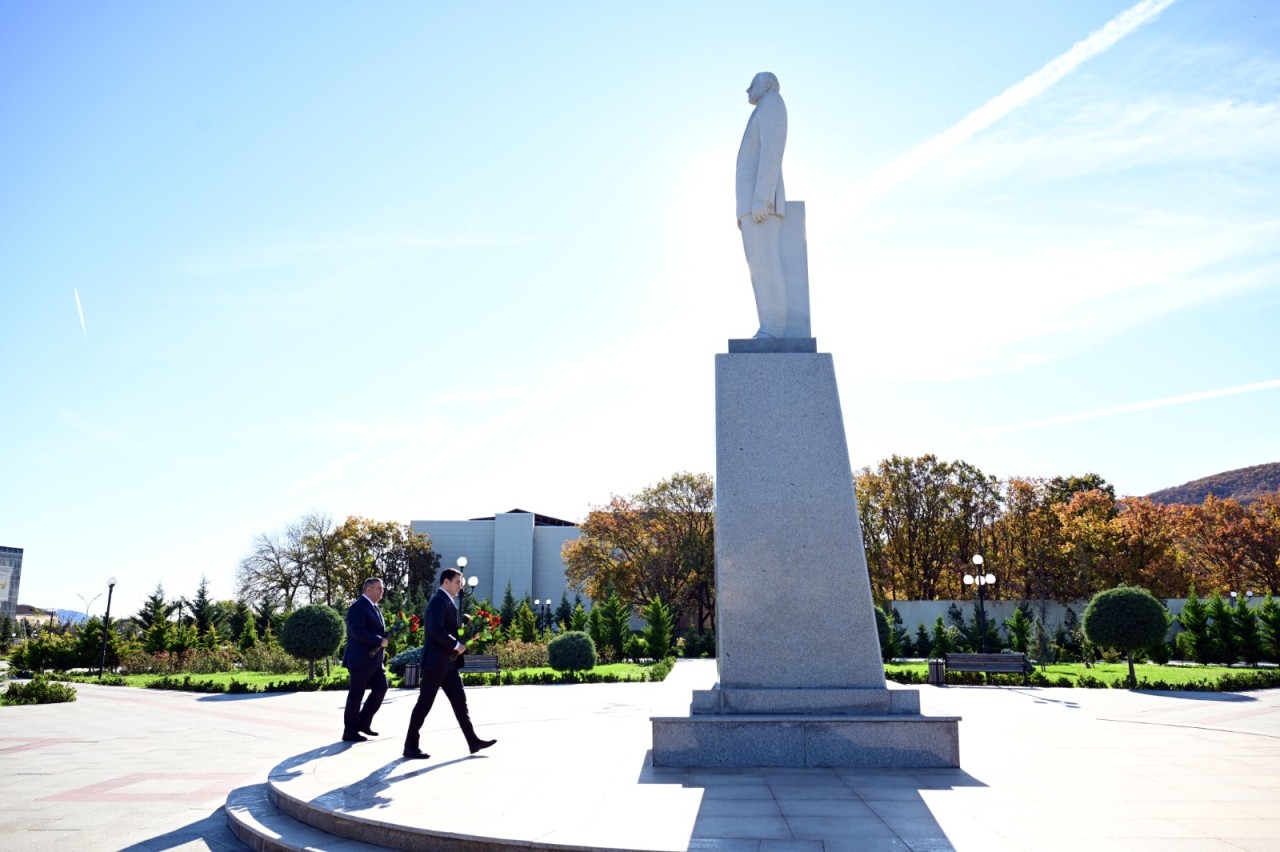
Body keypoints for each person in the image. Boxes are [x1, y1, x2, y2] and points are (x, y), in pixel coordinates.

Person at [402, 568, 497, 759]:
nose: (460, 586)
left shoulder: (447, 601)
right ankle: (410, 746)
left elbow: (450, 629)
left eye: (461, 583)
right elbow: (435, 630)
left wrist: (469, 634)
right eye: (457, 582)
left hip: (449, 665)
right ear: (446, 582)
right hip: (436, 664)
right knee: (424, 704)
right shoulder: (438, 600)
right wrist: (456, 645)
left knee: (460, 703)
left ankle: (473, 741)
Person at [736, 71, 789, 339]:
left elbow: (772, 150)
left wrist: (762, 198)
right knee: (757, 267)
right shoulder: (761, 109)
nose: (748, 89)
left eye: (752, 84)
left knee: (766, 263)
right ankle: (767, 325)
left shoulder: (772, 103)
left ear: (767, 85)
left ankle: (774, 327)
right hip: (750, 206)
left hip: (760, 205)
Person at [340, 577, 389, 743]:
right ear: (368, 590)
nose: (382, 591)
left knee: (381, 687)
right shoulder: (357, 607)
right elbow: (357, 632)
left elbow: (376, 630)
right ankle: (350, 731)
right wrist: (379, 640)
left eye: (382, 588)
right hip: (360, 660)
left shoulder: (375, 607)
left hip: (375, 661)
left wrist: (390, 634)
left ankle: (363, 722)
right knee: (356, 695)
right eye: (379, 589)